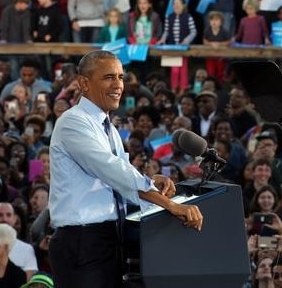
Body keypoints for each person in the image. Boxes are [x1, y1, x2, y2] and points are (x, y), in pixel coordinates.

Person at [48, 50, 203, 287]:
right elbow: (112, 171)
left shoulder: (106, 125)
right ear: (83, 83)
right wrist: (170, 205)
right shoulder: (73, 122)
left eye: (121, 77)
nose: (118, 84)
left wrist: (150, 181)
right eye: (109, 77)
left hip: (108, 238)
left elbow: (118, 174)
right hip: (82, 242)